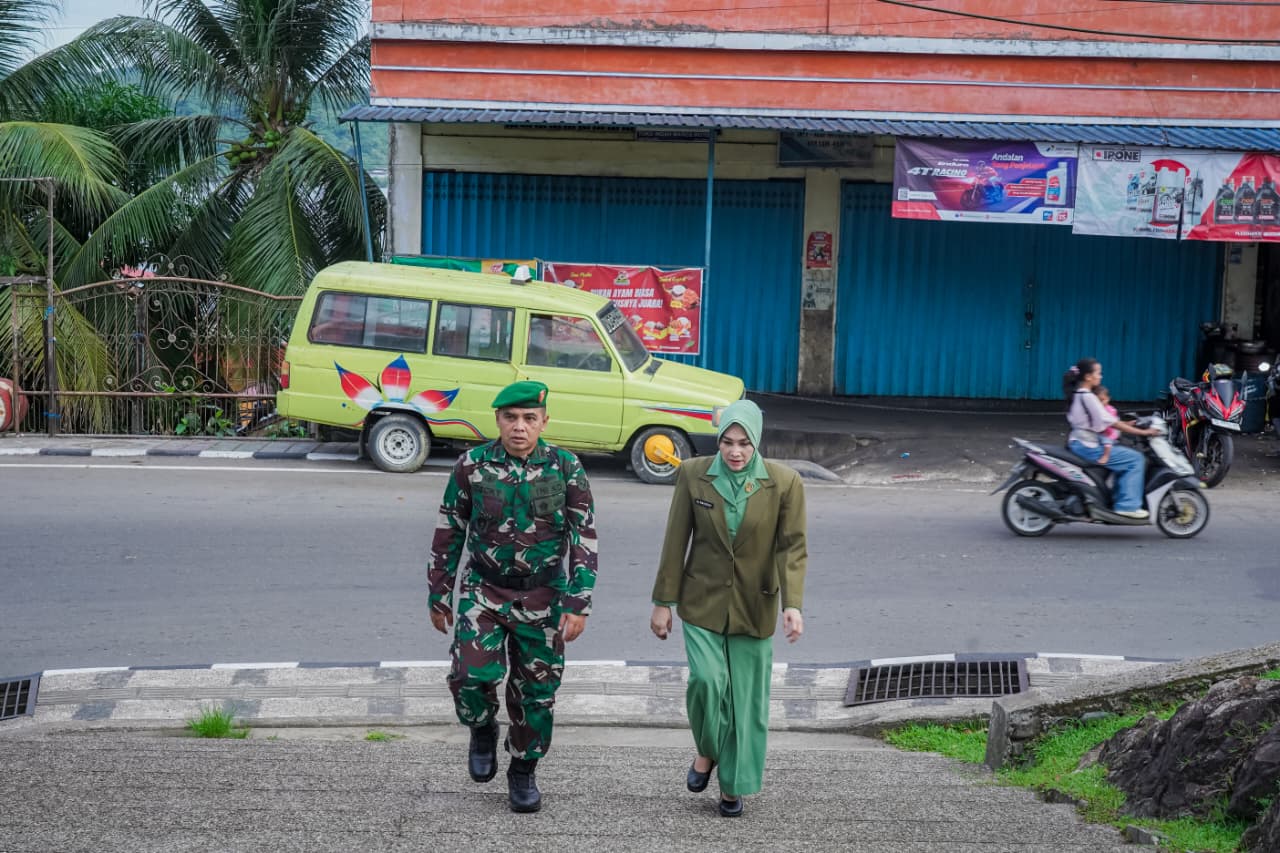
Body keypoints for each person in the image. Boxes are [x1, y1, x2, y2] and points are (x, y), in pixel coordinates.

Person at [428, 380, 598, 813]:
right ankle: (482, 727)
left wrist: (578, 602)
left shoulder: (565, 468)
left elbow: (583, 535)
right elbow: (450, 530)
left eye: (528, 418)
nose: (519, 427)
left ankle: (523, 770)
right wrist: (439, 592)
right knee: (469, 675)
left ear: (544, 421)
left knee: (536, 694)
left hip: (544, 594)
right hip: (483, 590)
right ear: (498, 419)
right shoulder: (472, 465)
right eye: (510, 418)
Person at [649, 399, 807, 818]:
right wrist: (663, 602)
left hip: (756, 605)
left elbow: (792, 549)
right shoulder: (693, 474)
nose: (735, 452)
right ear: (718, 441)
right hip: (701, 601)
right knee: (706, 682)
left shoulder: (784, 482)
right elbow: (675, 540)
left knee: (744, 703)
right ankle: (707, 750)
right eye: (727, 442)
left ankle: (732, 787)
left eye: (744, 443)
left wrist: (792, 604)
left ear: (757, 442)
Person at [1064, 359, 1160, 518]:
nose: (1100, 376)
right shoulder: (1088, 396)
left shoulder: (1079, 394)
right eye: (1098, 373)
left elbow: (1106, 421)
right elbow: (1111, 422)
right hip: (1088, 446)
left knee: (1124, 454)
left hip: (1080, 442)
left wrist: (1128, 424)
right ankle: (1127, 506)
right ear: (1088, 377)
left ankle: (1117, 498)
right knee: (1135, 459)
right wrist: (1144, 433)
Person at [1095, 385, 1120, 465]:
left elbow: (1110, 424)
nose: (1100, 403)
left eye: (1103, 400)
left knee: (1106, 441)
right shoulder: (1095, 409)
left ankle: (1106, 455)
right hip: (1100, 430)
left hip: (1109, 432)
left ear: (1108, 398)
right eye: (1098, 401)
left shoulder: (1111, 410)